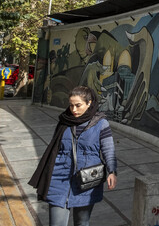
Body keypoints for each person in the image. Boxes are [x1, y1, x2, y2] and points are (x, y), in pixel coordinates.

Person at [29, 86, 118, 226]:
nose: (74, 110)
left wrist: (112, 171)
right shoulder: (64, 121)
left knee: (82, 222)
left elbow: (108, 149)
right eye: (71, 105)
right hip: (60, 177)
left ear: (89, 103)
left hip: (87, 179)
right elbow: (54, 148)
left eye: (78, 105)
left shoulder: (101, 123)